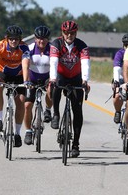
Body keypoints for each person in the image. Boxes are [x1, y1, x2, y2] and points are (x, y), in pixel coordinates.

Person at [49, 20, 90, 158]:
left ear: (76, 33)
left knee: (77, 111)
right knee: (55, 86)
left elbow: (85, 63)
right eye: (66, 33)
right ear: (62, 33)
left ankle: (76, 145)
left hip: (76, 77)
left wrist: (85, 80)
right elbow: (53, 62)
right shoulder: (56, 44)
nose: (69, 35)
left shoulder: (82, 46)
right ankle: (56, 114)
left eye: (72, 33)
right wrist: (52, 78)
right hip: (61, 75)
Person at [0, 25, 29, 147]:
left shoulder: (24, 47)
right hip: (3, 73)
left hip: (18, 74)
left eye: (16, 39)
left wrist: (26, 81)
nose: (14, 41)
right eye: (11, 39)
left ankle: (17, 133)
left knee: (21, 100)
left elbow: (25, 65)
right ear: (6, 38)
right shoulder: (0, 45)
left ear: (20, 39)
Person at [22, 25, 53, 145]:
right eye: (39, 38)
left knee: (51, 88)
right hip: (32, 79)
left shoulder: (52, 50)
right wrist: (26, 80)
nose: (42, 41)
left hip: (47, 78)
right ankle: (28, 131)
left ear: (48, 39)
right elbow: (25, 65)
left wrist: (52, 79)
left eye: (45, 38)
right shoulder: (29, 49)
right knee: (27, 105)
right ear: (35, 38)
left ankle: (47, 110)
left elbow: (56, 66)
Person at [112, 33, 128, 123]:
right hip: (122, 78)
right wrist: (116, 82)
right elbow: (117, 68)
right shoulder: (120, 53)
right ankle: (118, 111)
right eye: (126, 44)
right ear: (123, 45)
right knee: (117, 96)